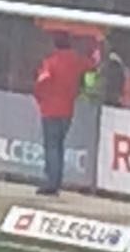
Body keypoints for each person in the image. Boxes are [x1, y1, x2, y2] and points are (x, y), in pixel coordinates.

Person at [32, 32, 94, 196]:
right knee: (59, 145)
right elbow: (92, 64)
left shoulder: (50, 62)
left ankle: (51, 183)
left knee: (51, 146)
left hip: (50, 110)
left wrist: (41, 99)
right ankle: (56, 181)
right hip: (67, 110)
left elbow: (41, 83)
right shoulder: (76, 60)